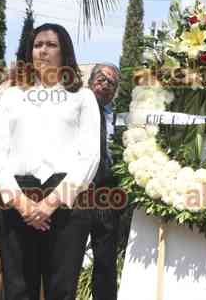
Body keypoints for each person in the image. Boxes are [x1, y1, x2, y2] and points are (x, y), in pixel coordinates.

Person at [0, 23, 101, 300]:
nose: (43, 50)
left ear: (65, 52)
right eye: (38, 45)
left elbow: (89, 156)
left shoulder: (83, 97)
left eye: (51, 45)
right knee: (18, 289)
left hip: (66, 201)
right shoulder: (11, 96)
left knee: (61, 289)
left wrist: (50, 204)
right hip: (17, 197)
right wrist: (23, 204)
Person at [87, 63, 121, 300]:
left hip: (107, 196)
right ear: (90, 82)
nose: (105, 84)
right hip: (76, 193)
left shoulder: (119, 119)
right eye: (101, 79)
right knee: (66, 261)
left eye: (112, 82)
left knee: (106, 263)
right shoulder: (74, 111)